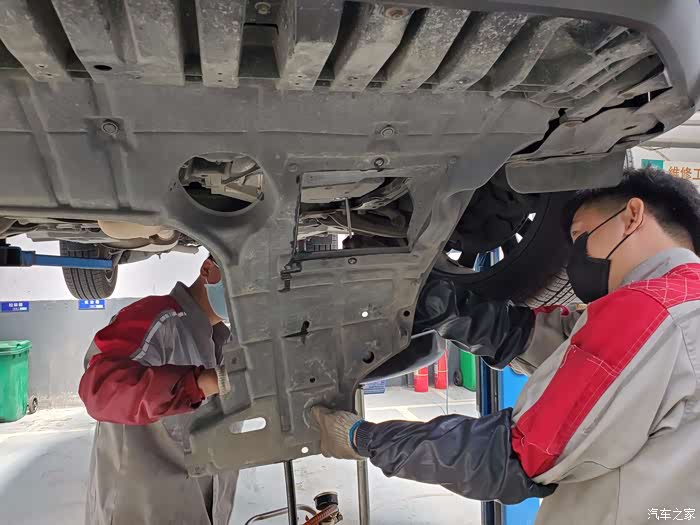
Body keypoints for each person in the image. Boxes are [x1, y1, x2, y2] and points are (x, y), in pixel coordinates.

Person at [312, 167, 700, 525]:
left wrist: (364, 438)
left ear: (632, 216)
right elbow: (557, 346)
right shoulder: (681, 305)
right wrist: (447, 309)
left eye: (581, 236)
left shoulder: (650, 309)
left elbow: (514, 455)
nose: (574, 257)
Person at [79, 254, 236, 525]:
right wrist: (203, 383)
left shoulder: (229, 344)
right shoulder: (156, 317)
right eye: (240, 278)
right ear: (207, 269)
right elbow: (100, 389)